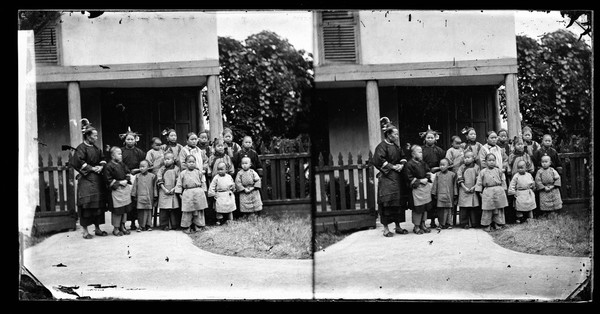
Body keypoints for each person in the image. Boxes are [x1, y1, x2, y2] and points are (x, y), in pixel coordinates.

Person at [70, 119, 109, 239]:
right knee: (87, 204)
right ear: (87, 136)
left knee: (98, 205)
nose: (96, 138)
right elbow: (78, 161)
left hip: (97, 179)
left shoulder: (97, 149)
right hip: (86, 179)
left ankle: (97, 228)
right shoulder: (81, 148)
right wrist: (92, 168)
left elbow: (102, 158)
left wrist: (101, 167)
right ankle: (85, 231)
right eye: (94, 135)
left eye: (97, 135)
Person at [372, 124, 410, 237]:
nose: (397, 136)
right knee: (387, 202)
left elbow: (403, 156)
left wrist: (401, 165)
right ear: (388, 134)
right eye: (395, 134)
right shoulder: (381, 147)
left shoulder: (396, 146)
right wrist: (392, 167)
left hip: (397, 178)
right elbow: (378, 160)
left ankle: (398, 226)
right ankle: (386, 229)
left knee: (398, 202)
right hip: (387, 178)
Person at [103, 147, 133, 236]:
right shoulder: (108, 166)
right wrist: (119, 183)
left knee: (125, 209)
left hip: (124, 189)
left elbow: (128, 173)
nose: (121, 155)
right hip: (116, 191)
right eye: (118, 154)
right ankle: (116, 228)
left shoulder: (122, 164)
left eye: (121, 153)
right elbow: (108, 179)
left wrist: (126, 180)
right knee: (117, 210)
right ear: (112, 155)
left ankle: (123, 226)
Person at [474, 153, 508, 232]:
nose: (491, 162)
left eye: (493, 160)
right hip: (488, 191)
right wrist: (479, 191)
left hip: (498, 190)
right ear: (485, 162)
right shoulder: (483, 172)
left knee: (498, 208)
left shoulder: (499, 171)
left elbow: (503, 180)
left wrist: (504, 189)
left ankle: (498, 223)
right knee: (487, 209)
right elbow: (479, 182)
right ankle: (487, 224)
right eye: (489, 160)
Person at [175, 155, 209, 234]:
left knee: (199, 210)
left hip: (198, 192)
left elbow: (203, 182)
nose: (191, 164)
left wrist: (204, 191)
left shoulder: (198, 172)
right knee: (187, 211)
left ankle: (198, 225)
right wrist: (179, 194)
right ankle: (187, 226)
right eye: (189, 162)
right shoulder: (183, 173)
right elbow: (179, 184)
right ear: (186, 163)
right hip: (188, 193)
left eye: (193, 162)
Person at [405, 145, 434, 234]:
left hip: (424, 189)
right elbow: (408, 178)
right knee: (417, 209)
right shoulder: (409, 164)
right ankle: (416, 226)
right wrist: (420, 181)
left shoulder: (423, 163)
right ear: (413, 154)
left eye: (422, 152)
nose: (421, 154)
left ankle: (423, 224)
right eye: (419, 152)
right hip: (416, 189)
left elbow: (428, 171)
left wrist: (427, 178)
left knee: (425, 207)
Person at [120, 130, 145, 231]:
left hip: (136, 177)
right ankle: (124, 223)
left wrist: (138, 170)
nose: (130, 141)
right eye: (128, 139)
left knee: (135, 199)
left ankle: (135, 222)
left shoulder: (139, 152)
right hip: (125, 177)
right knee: (126, 200)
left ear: (135, 140)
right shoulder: (121, 151)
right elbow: (118, 164)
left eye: (132, 139)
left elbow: (144, 164)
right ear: (125, 140)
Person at [506, 136, 534, 224]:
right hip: (516, 178)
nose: (520, 146)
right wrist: (508, 169)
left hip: (525, 179)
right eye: (518, 144)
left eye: (522, 144)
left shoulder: (526, 156)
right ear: (514, 146)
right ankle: (517, 218)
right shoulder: (512, 156)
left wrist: (530, 171)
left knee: (528, 200)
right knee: (516, 201)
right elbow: (508, 164)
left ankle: (528, 217)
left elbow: (530, 166)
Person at [420, 128, 445, 229]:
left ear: (435, 138)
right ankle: (425, 221)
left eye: (432, 137)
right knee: (427, 198)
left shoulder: (439, 150)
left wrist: (438, 168)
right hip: (425, 175)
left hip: (436, 175)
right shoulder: (421, 150)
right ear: (425, 138)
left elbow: (443, 163)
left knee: (435, 198)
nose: (430, 139)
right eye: (428, 137)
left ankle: (435, 220)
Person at [456, 151, 481, 229]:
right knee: (464, 208)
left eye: (468, 157)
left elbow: (479, 178)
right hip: (464, 190)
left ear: (473, 158)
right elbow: (459, 177)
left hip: (473, 190)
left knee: (473, 208)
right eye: (465, 158)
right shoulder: (462, 167)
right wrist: (464, 187)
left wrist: (474, 187)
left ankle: (474, 223)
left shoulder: (476, 167)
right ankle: (464, 223)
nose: (466, 159)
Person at [156, 152, 181, 231]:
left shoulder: (176, 169)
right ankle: (164, 225)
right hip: (164, 191)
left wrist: (174, 189)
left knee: (174, 209)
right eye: (165, 159)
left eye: (168, 159)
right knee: (164, 209)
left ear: (173, 160)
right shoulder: (162, 169)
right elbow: (159, 179)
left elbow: (179, 180)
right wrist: (164, 189)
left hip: (173, 191)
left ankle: (174, 224)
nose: (166, 161)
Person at [431, 158, 458, 230]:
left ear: (448, 166)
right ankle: (441, 224)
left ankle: (449, 223)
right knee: (440, 210)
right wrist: (434, 193)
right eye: (440, 165)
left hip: (449, 195)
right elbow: (435, 185)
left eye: (443, 165)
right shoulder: (437, 174)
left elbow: (455, 185)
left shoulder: (452, 175)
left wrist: (455, 194)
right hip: (440, 195)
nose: (441, 167)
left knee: (449, 210)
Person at [131, 160, 158, 231]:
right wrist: (134, 195)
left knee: (149, 211)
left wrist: (155, 195)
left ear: (148, 167)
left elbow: (154, 186)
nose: (141, 168)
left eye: (143, 166)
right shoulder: (137, 176)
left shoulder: (152, 176)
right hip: (140, 196)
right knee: (141, 212)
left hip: (149, 196)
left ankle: (148, 225)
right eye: (140, 167)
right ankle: (141, 226)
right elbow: (135, 186)